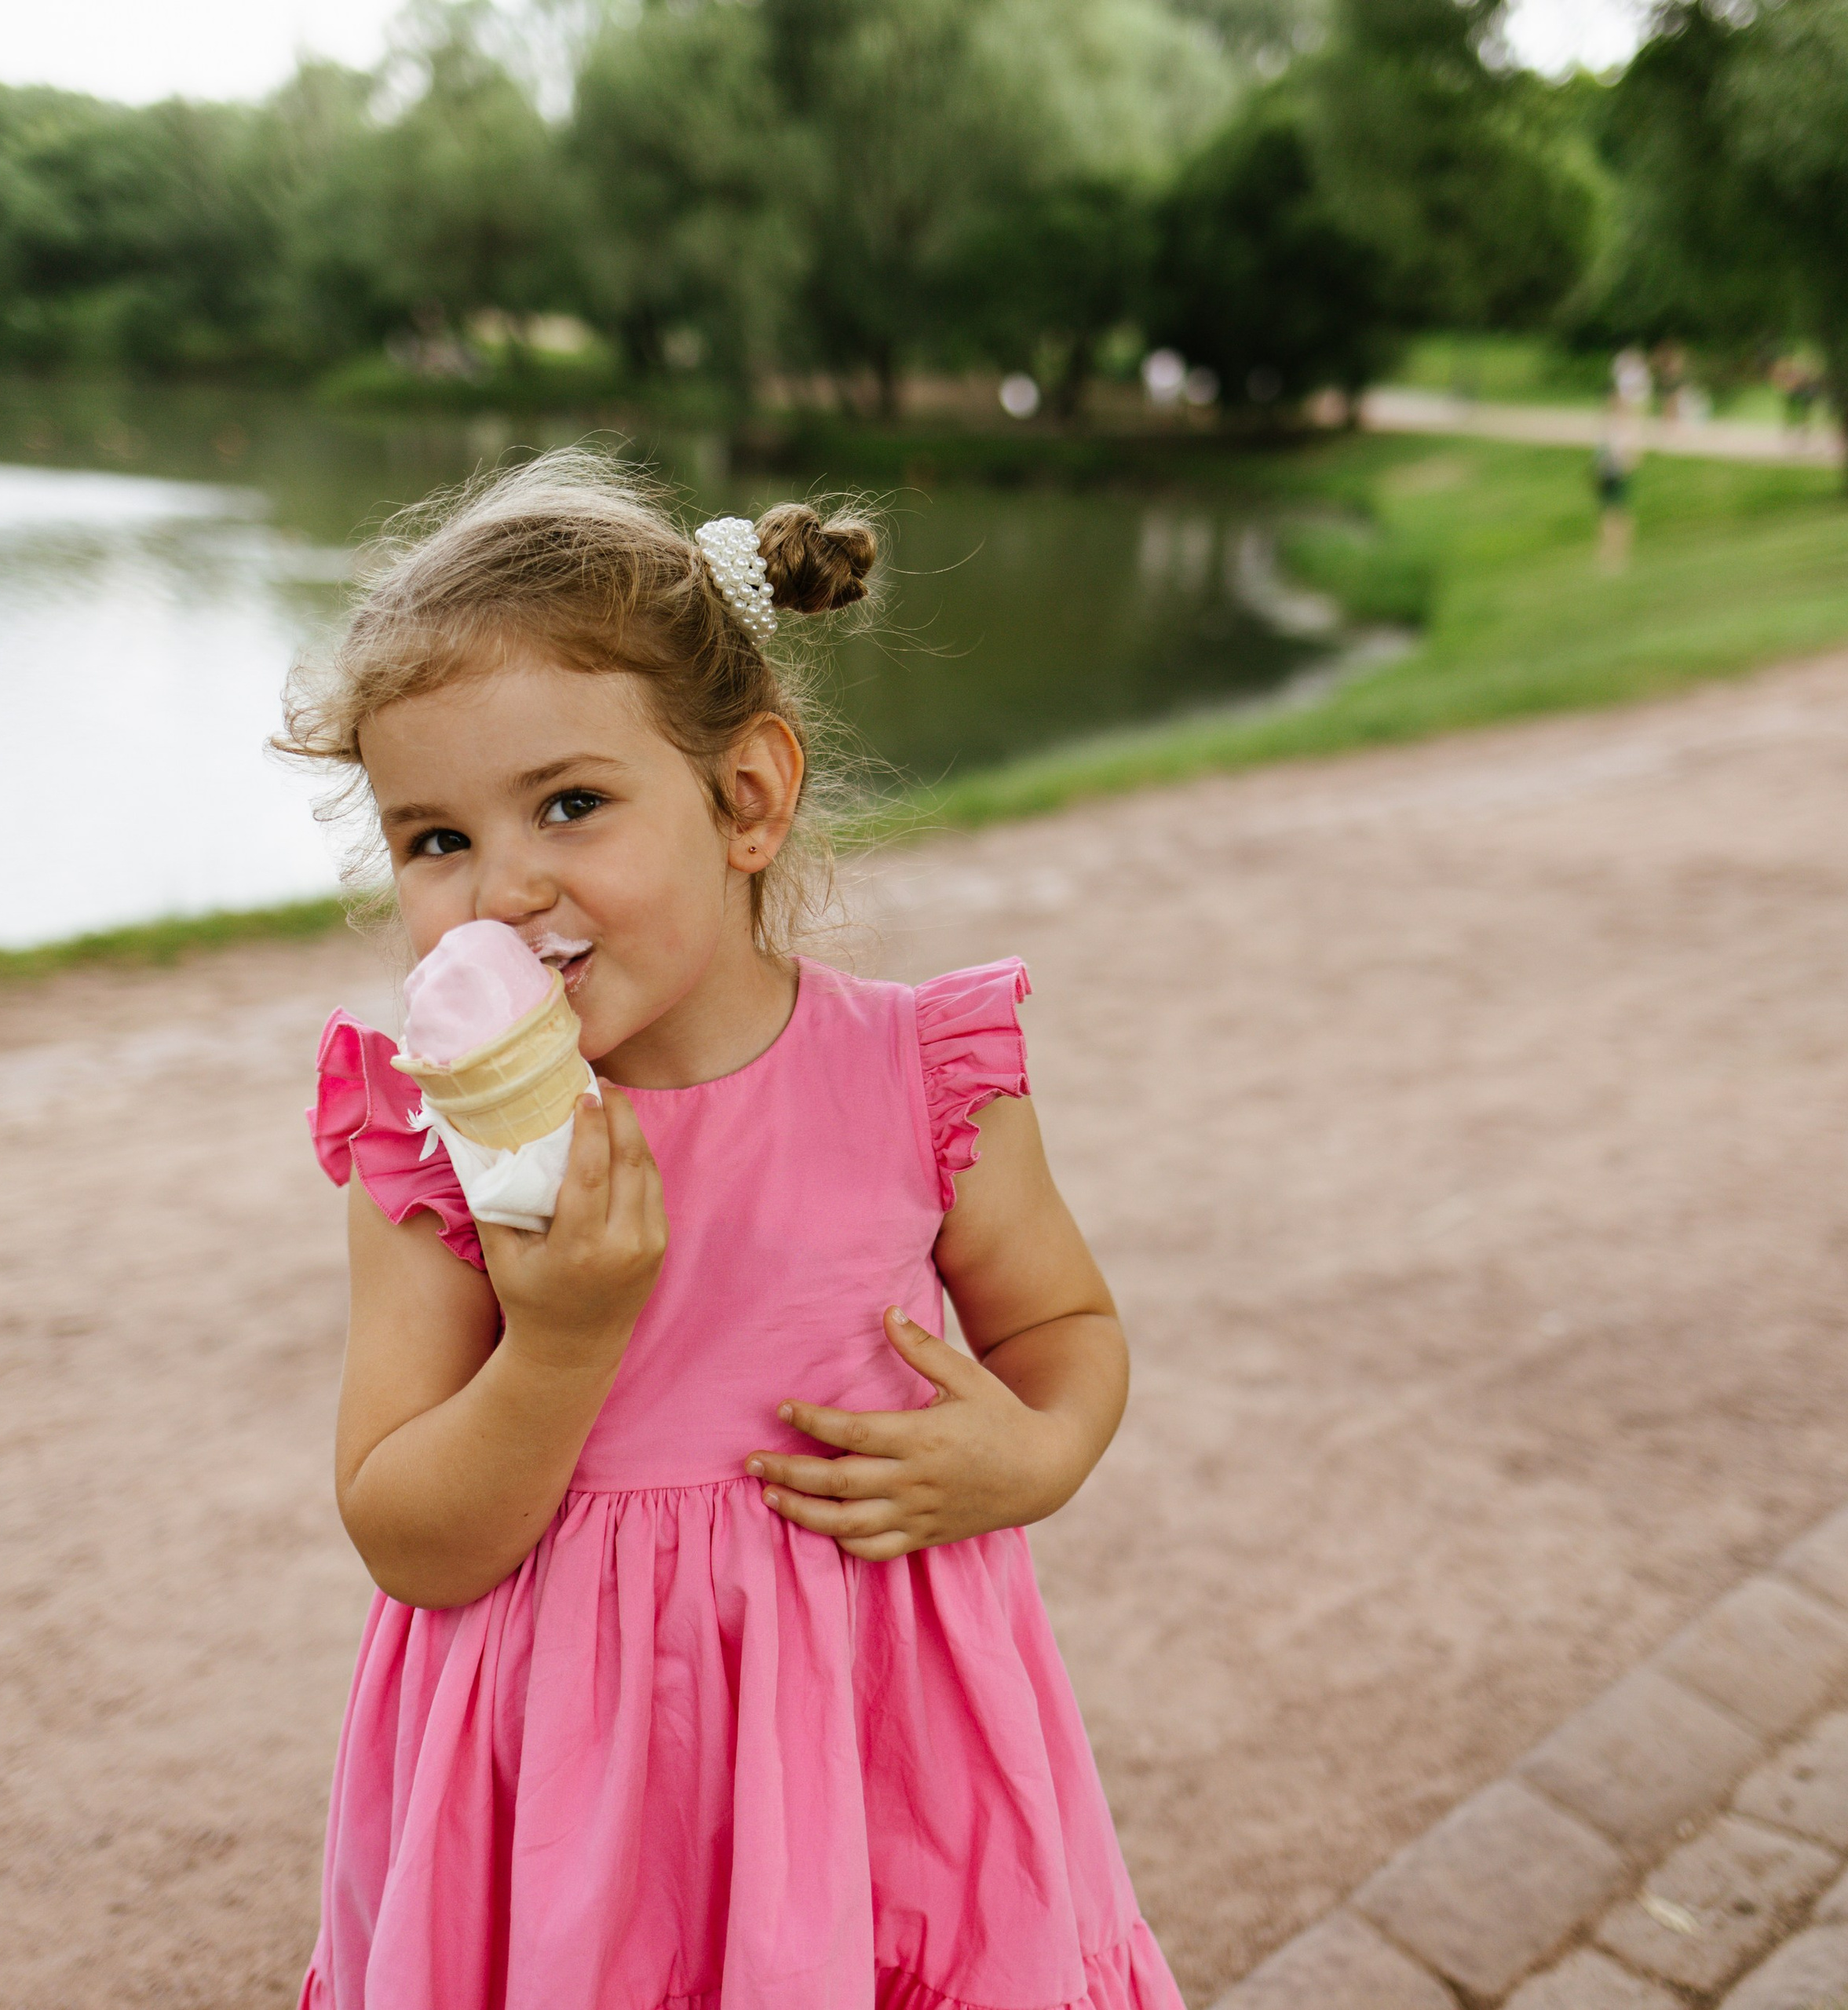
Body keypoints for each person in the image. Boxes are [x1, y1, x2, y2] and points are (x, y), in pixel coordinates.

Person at [277, 448, 1181, 2010]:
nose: (498, 889)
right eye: (433, 839)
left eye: (569, 803)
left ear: (745, 797)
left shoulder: (918, 1076)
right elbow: (408, 1535)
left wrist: (1036, 1452)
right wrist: (558, 1335)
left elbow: (1064, 1331)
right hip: (565, 1796)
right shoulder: (429, 1143)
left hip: (870, 1753)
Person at [1592, 434, 1635, 574]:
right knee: (1614, 517)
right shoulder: (1611, 440)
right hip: (1612, 479)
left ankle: (1613, 554)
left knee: (1615, 517)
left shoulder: (1612, 439)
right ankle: (1612, 554)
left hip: (1614, 479)